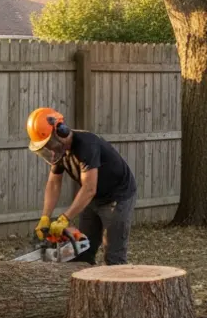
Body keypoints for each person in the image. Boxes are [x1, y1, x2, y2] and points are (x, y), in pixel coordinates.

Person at [27, 107, 137, 265]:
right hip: (93, 197)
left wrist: (65, 218)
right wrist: (45, 217)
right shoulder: (58, 152)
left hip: (117, 196)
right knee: (82, 250)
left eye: (50, 143)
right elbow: (53, 183)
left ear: (62, 131)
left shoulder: (87, 145)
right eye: (46, 146)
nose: (50, 149)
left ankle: (119, 286)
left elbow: (89, 188)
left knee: (114, 256)